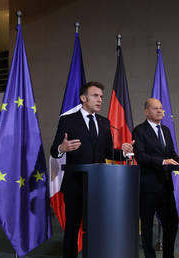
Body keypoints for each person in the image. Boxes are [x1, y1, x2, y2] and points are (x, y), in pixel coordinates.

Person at [50, 81, 132, 258]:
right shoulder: (68, 120)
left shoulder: (104, 122)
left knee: (95, 227)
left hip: (98, 185)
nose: (100, 100)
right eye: (95, 96)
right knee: (72, 228)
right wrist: (61, 149)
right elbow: (54, 149)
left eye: (102, 96)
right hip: (75, 184)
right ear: (83, 98)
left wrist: (124, 154)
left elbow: (108, 152)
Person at [132, 98, 179, 258]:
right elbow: (140, 156)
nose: (160, 111)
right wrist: (162, 161)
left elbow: (171, 153)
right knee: (146, 226)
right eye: (155, 108)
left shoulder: (165, 130)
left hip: (166, 186)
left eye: (161, 108)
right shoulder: (139, 131)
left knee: (171, 223)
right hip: (148, 187)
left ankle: (168, 255)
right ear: (146, 111)